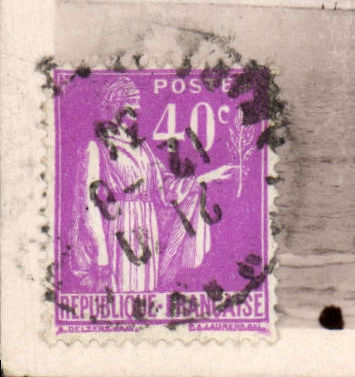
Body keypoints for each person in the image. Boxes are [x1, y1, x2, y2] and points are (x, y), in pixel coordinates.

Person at [72, 76, 238, 293]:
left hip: (146, 227)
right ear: (114, 105)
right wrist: (101, 250)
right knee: (122, 290)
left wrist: (207, 178)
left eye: (137, 104)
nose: (136, 110)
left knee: (146, 292)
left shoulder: (142, 149)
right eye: (131, 104)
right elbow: (89, 204)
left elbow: (166, 187)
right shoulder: (96, 147)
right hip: (119, 228)